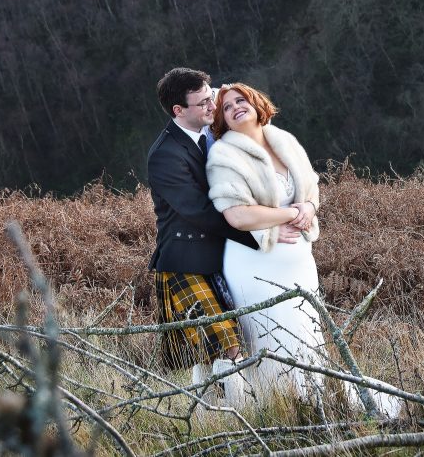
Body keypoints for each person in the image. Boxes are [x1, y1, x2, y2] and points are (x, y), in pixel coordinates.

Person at [206, 82, 401, 416]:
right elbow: (236, 214)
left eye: (242, 100)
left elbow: (310, 188)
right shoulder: (224, 155)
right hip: (254, 265)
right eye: (226, 106)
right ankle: (276, 410)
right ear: (222, 120)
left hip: (299, 263)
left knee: (306, 332)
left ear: (256, 104)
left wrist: (308, 209)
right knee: (269, 335)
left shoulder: (283, 140)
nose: (236, 107)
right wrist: (287, 215)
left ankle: (315, 401)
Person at [146, 68, 304, 374]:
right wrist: (263, 231)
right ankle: (228, 415)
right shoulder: (165, 155)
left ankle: (232, 404)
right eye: (203, 102)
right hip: (186, 262)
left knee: (247, 341)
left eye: (211, 96)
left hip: (226, 258)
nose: (213, 105)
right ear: (179, 110)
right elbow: (201, 212)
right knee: (226, 346)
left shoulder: (214, 128)